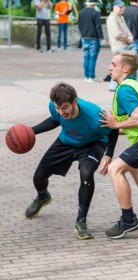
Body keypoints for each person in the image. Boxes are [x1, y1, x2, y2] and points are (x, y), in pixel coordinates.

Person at [25, 82, 118, 240]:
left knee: (86, 174)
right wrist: (31, 132)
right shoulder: (55, 107)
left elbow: (113, 131)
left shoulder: (95, 116)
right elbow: (55, 120)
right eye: (58, 107)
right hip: (66, 142)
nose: (61, 112)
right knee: (38, 177)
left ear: (75, 101)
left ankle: (81, 221)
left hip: (92, 144)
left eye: (65, 108)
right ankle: (43, 197)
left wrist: (108, 154)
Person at [99, 50, 138, 239]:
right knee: (132, 166)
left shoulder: (124, 89)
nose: (110, 68)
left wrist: (116, 124)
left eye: (114, 64)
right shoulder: (132, 85)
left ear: (125, 68)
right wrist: (114, 128)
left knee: (115, 169)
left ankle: (128, 219)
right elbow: (132, 123)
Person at [106, 0, 133, 91]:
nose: (122, 9)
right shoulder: (112, 18)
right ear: (114, 7)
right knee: (118, 67)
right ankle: (113, 86)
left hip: (123, 44)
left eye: (123, 7)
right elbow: (117, 33)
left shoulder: (120, 17)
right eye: (120, 7)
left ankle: (117, 85)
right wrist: (127, 39)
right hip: (118, 45)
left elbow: (126, 29)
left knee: (122, 66)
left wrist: (130, 37)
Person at [78, 0, 104, 83]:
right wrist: (101, 38)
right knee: (92, 58)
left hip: (84, 38)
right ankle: (91, 77)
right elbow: (98, 26)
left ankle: (86, 76)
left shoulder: (81, 12)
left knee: (86, 57)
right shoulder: (96, 13)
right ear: (95, 4)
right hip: (94, 38)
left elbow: (79, 25)